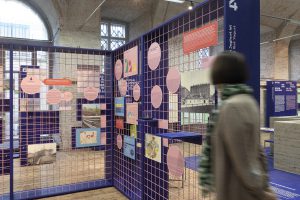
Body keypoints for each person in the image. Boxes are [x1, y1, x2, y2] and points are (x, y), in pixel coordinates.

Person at [199, 51, 277, 200]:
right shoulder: (248, 101)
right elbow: (257, 150)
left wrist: (262, 192)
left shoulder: (231, 107)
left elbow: (244, 162)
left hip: (237, 192)